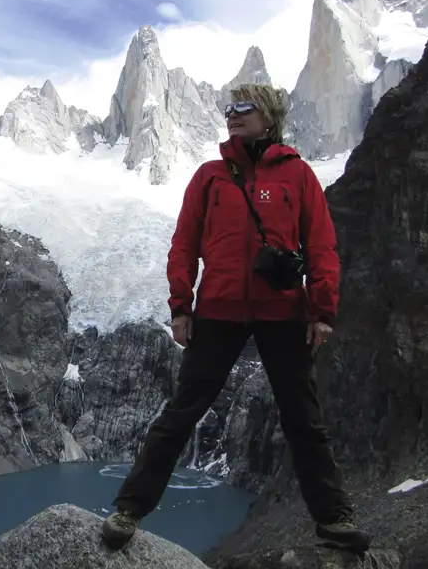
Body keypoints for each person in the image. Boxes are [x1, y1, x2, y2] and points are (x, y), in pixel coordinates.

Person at [100, 83, 371, 552]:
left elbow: (322, 247)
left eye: (244, 108)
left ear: (269, 118)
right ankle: (129, 509)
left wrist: (322, 311)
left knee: (303, 419)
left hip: (282, 312)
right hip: (220, 311)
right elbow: (184, 244)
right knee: (181, 414)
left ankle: (334, 518)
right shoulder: (209, 176)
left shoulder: (299, 176)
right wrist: (181, 306)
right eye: (229, 108)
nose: (232, 115)